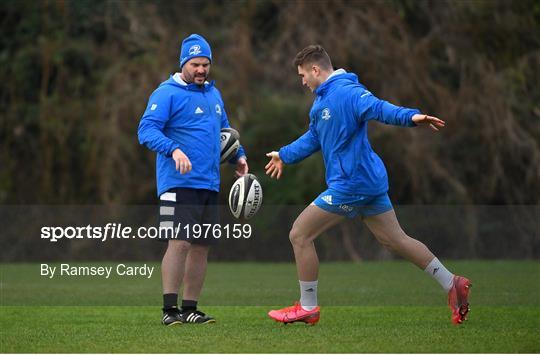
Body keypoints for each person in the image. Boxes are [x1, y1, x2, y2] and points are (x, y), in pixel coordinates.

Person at [265, 45, 471, 326]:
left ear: (316, 70)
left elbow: (378, 108)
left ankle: (308, 306)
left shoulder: (348, 92)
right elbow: (314, 137)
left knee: (299, 234)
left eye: (303, 75)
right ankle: (452, 284)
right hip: (366, 182)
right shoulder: (320, 103)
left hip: (352, 184)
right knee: (394, 240)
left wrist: (412, 117)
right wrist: (284, 155)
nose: (302, 81)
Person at [138, 34, 248, 325]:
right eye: (196, 64)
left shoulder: (214, 94)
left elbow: (225, 131)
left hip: (209, 183)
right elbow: (146, 131)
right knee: (180, 243)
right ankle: (169, 310)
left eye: (206, 64)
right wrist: (173, 149)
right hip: (176, 183)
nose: (201, 70)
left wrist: (239, 156)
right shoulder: (166, 93)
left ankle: (190, 309)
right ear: (184, 63)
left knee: (201, 246)